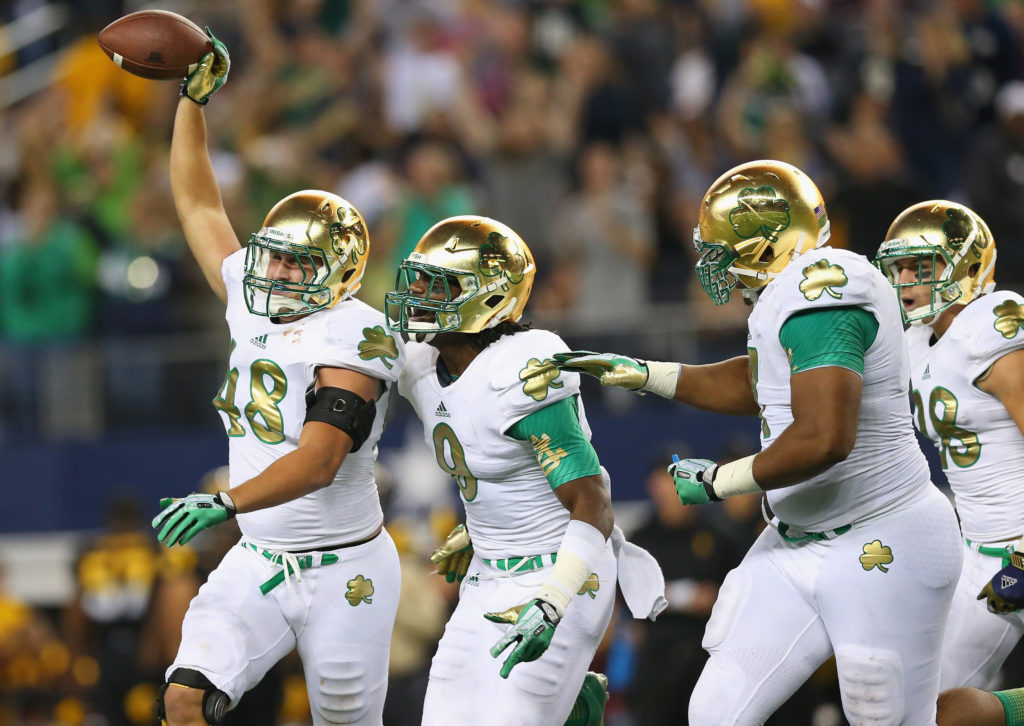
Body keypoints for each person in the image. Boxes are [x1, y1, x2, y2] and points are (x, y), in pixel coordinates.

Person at [549, 159, 963, 725]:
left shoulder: (824, 291)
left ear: (766, 245)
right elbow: (760, 382)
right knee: (716, 711)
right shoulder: (785, 296)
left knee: (892, 718)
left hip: (883, 536)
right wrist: (647, 373)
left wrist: (719, 482)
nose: (711, 264)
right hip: (797, 541)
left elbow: (824, 438)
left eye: (720, 249)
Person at [147, 32, 404, 726]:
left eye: (297, 264)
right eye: (274, 257)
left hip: (344, 567)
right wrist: (190, 104)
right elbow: (200, 207)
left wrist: (228, 504)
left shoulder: (357, 333)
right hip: (260, 556)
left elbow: (320, 461)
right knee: (184, 697)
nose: (276, 273)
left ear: (339, 272)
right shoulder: (255, 296)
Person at [384, 215, 665, 726]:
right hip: (488, 576)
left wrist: (553, 601)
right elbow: (502, 468)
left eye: (437, 284)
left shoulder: (522, 368)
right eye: (418, 279)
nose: (418, 294)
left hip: (559, 575)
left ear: (487, 299)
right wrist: (483, 526)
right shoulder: (423, 365)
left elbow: (593, 502)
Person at [874, 200, 1024, 691]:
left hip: (1020, 546)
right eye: (898, 269)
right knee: (927, 702)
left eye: (921, 267)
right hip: (979, 549)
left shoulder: (993, 325)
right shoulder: (916, 342)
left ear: (967, 266)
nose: (905, 282)